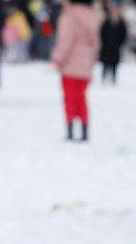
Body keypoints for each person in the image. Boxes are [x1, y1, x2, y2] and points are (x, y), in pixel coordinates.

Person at [51, 0, 101, 141]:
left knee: (70, 98)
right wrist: (91, 60)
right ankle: (84, 130)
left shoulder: (69, 16)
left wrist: (56, 59)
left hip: (70, 64)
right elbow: (96, 43)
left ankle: (70, 129)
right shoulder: (92, 16)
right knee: (81, 97)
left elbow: (65, 41)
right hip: (85, 64)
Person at [99, 2, 126, 85]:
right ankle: (103, 77)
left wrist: (120, 44)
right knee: (105, 63)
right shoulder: (106, 22)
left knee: (114, 64)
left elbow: (123, 35)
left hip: (116, 47)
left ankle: (114, 78)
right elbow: (101, 33)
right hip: (106, 47)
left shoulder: (121, 23)